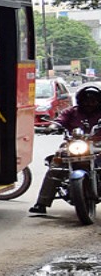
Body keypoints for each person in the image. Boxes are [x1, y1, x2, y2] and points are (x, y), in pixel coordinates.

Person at [29, 85, 101, 213]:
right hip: (73, 144)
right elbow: (59, 121)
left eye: (93, 101)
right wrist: (52, 127)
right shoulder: (71, 112)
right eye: (86, 101)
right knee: (55, 167)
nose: (90, 104)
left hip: (98, 144)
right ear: (80, 101)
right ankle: (41, 203)